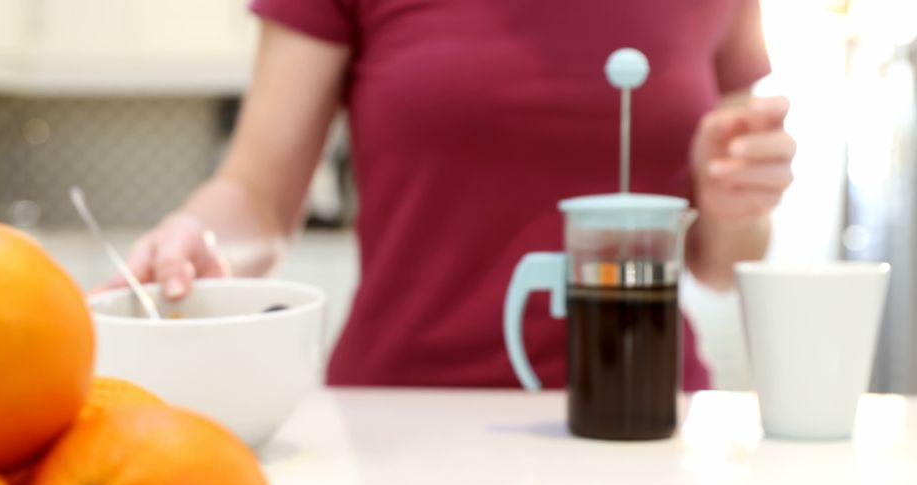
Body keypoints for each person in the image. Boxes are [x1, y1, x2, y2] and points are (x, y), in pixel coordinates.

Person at [107, 0, 795, 390]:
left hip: (645, 410)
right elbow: (256, 195)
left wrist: (734, 194)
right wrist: (196, 236)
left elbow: (721, 260)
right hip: (404, 417)